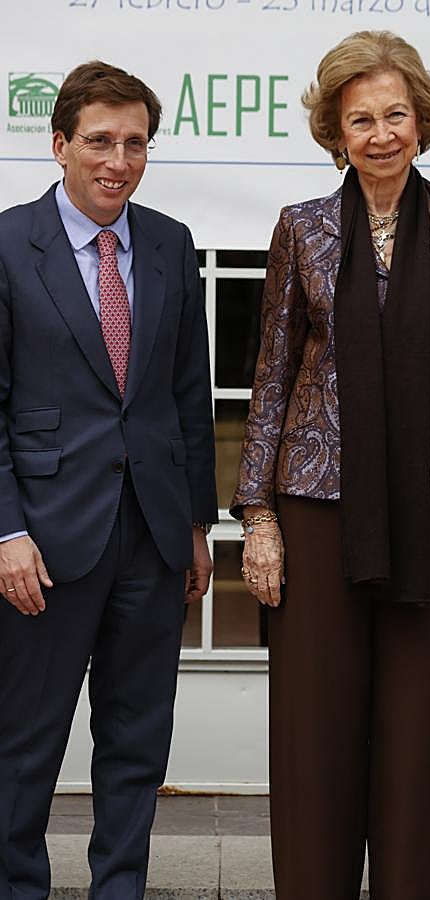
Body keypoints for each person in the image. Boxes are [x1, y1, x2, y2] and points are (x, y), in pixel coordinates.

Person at [231, 30, 430, 900]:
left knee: (419, 733)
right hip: (316, 508)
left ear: (421, 120)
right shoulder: (303, 231)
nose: (382, 133)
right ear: (336, 131)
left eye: (397, 114)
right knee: (317, 728)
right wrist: (259, 515)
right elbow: (273, 373)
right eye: (362, 119)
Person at [0, 61, 217, 900]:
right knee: (25, 742)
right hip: (44, 544)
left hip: (153, 538)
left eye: (134, 143)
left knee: (136, 741)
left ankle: (118, 888)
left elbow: (186, 396)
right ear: (60, 146)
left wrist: (197, 524)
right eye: (98, 141)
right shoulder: (11, 244)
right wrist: (7, 532)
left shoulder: (168, 243)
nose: (116, 160)